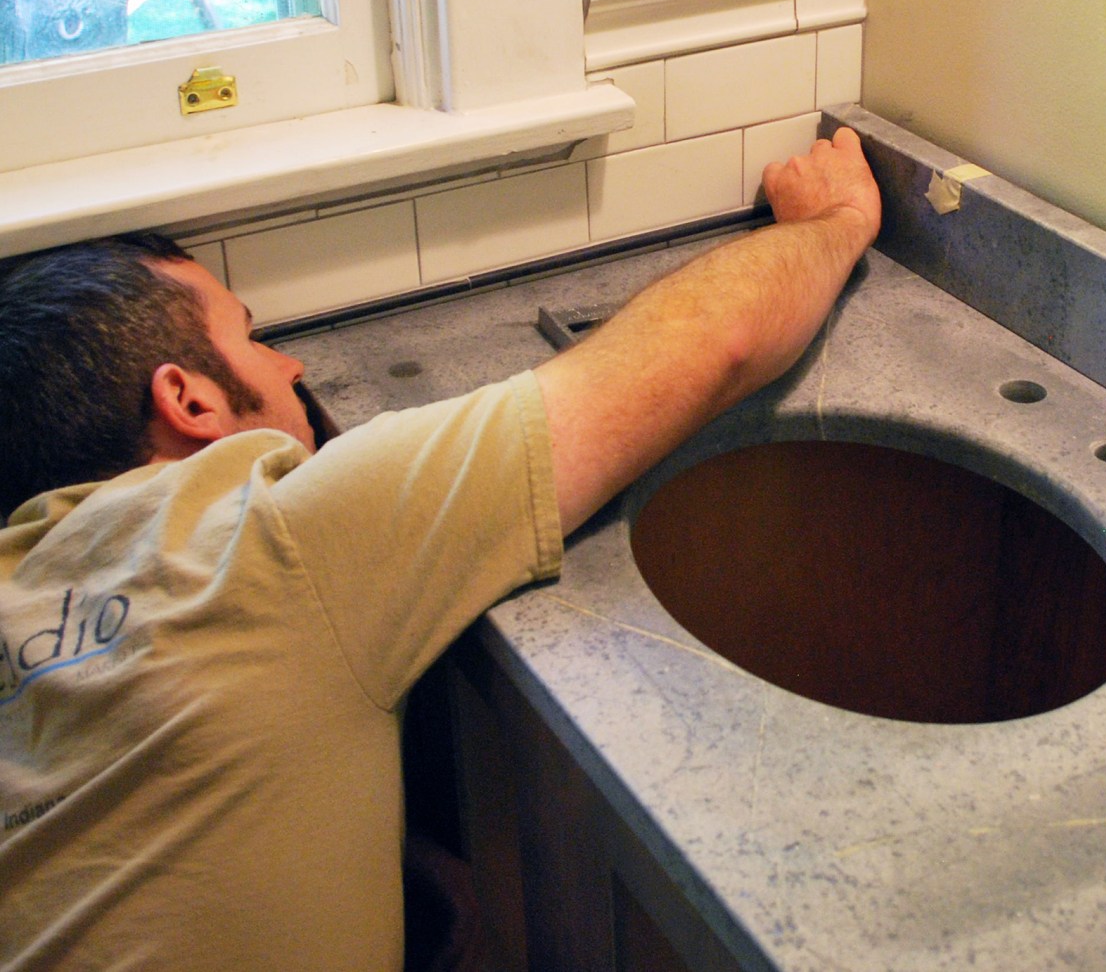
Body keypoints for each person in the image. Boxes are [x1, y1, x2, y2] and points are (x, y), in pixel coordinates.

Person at [0, 127, 882, 971]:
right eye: (251, 337)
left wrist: (393, 855)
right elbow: (715, 344)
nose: (290, 366)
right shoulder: (271, 545)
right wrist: (834, 224)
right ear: (189, 400)